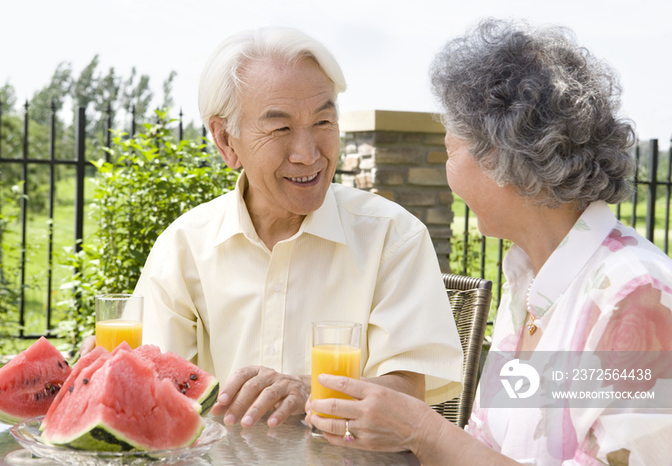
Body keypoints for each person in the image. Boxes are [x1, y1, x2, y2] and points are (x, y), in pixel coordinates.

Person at [307, 18, 672, 466]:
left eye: (449, 151)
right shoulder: (531, 283)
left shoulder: (637, 294)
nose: (448, 173)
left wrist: (423, 431)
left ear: (498, 154)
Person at [82, 27, 463, 430]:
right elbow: (152, 384)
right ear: (226, 141)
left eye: (323, 121)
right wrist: (107, 376)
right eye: (280, 129)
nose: (308, 153)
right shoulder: (184, 245)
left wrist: (311, 391)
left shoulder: (393, 237)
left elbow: (407, 393)